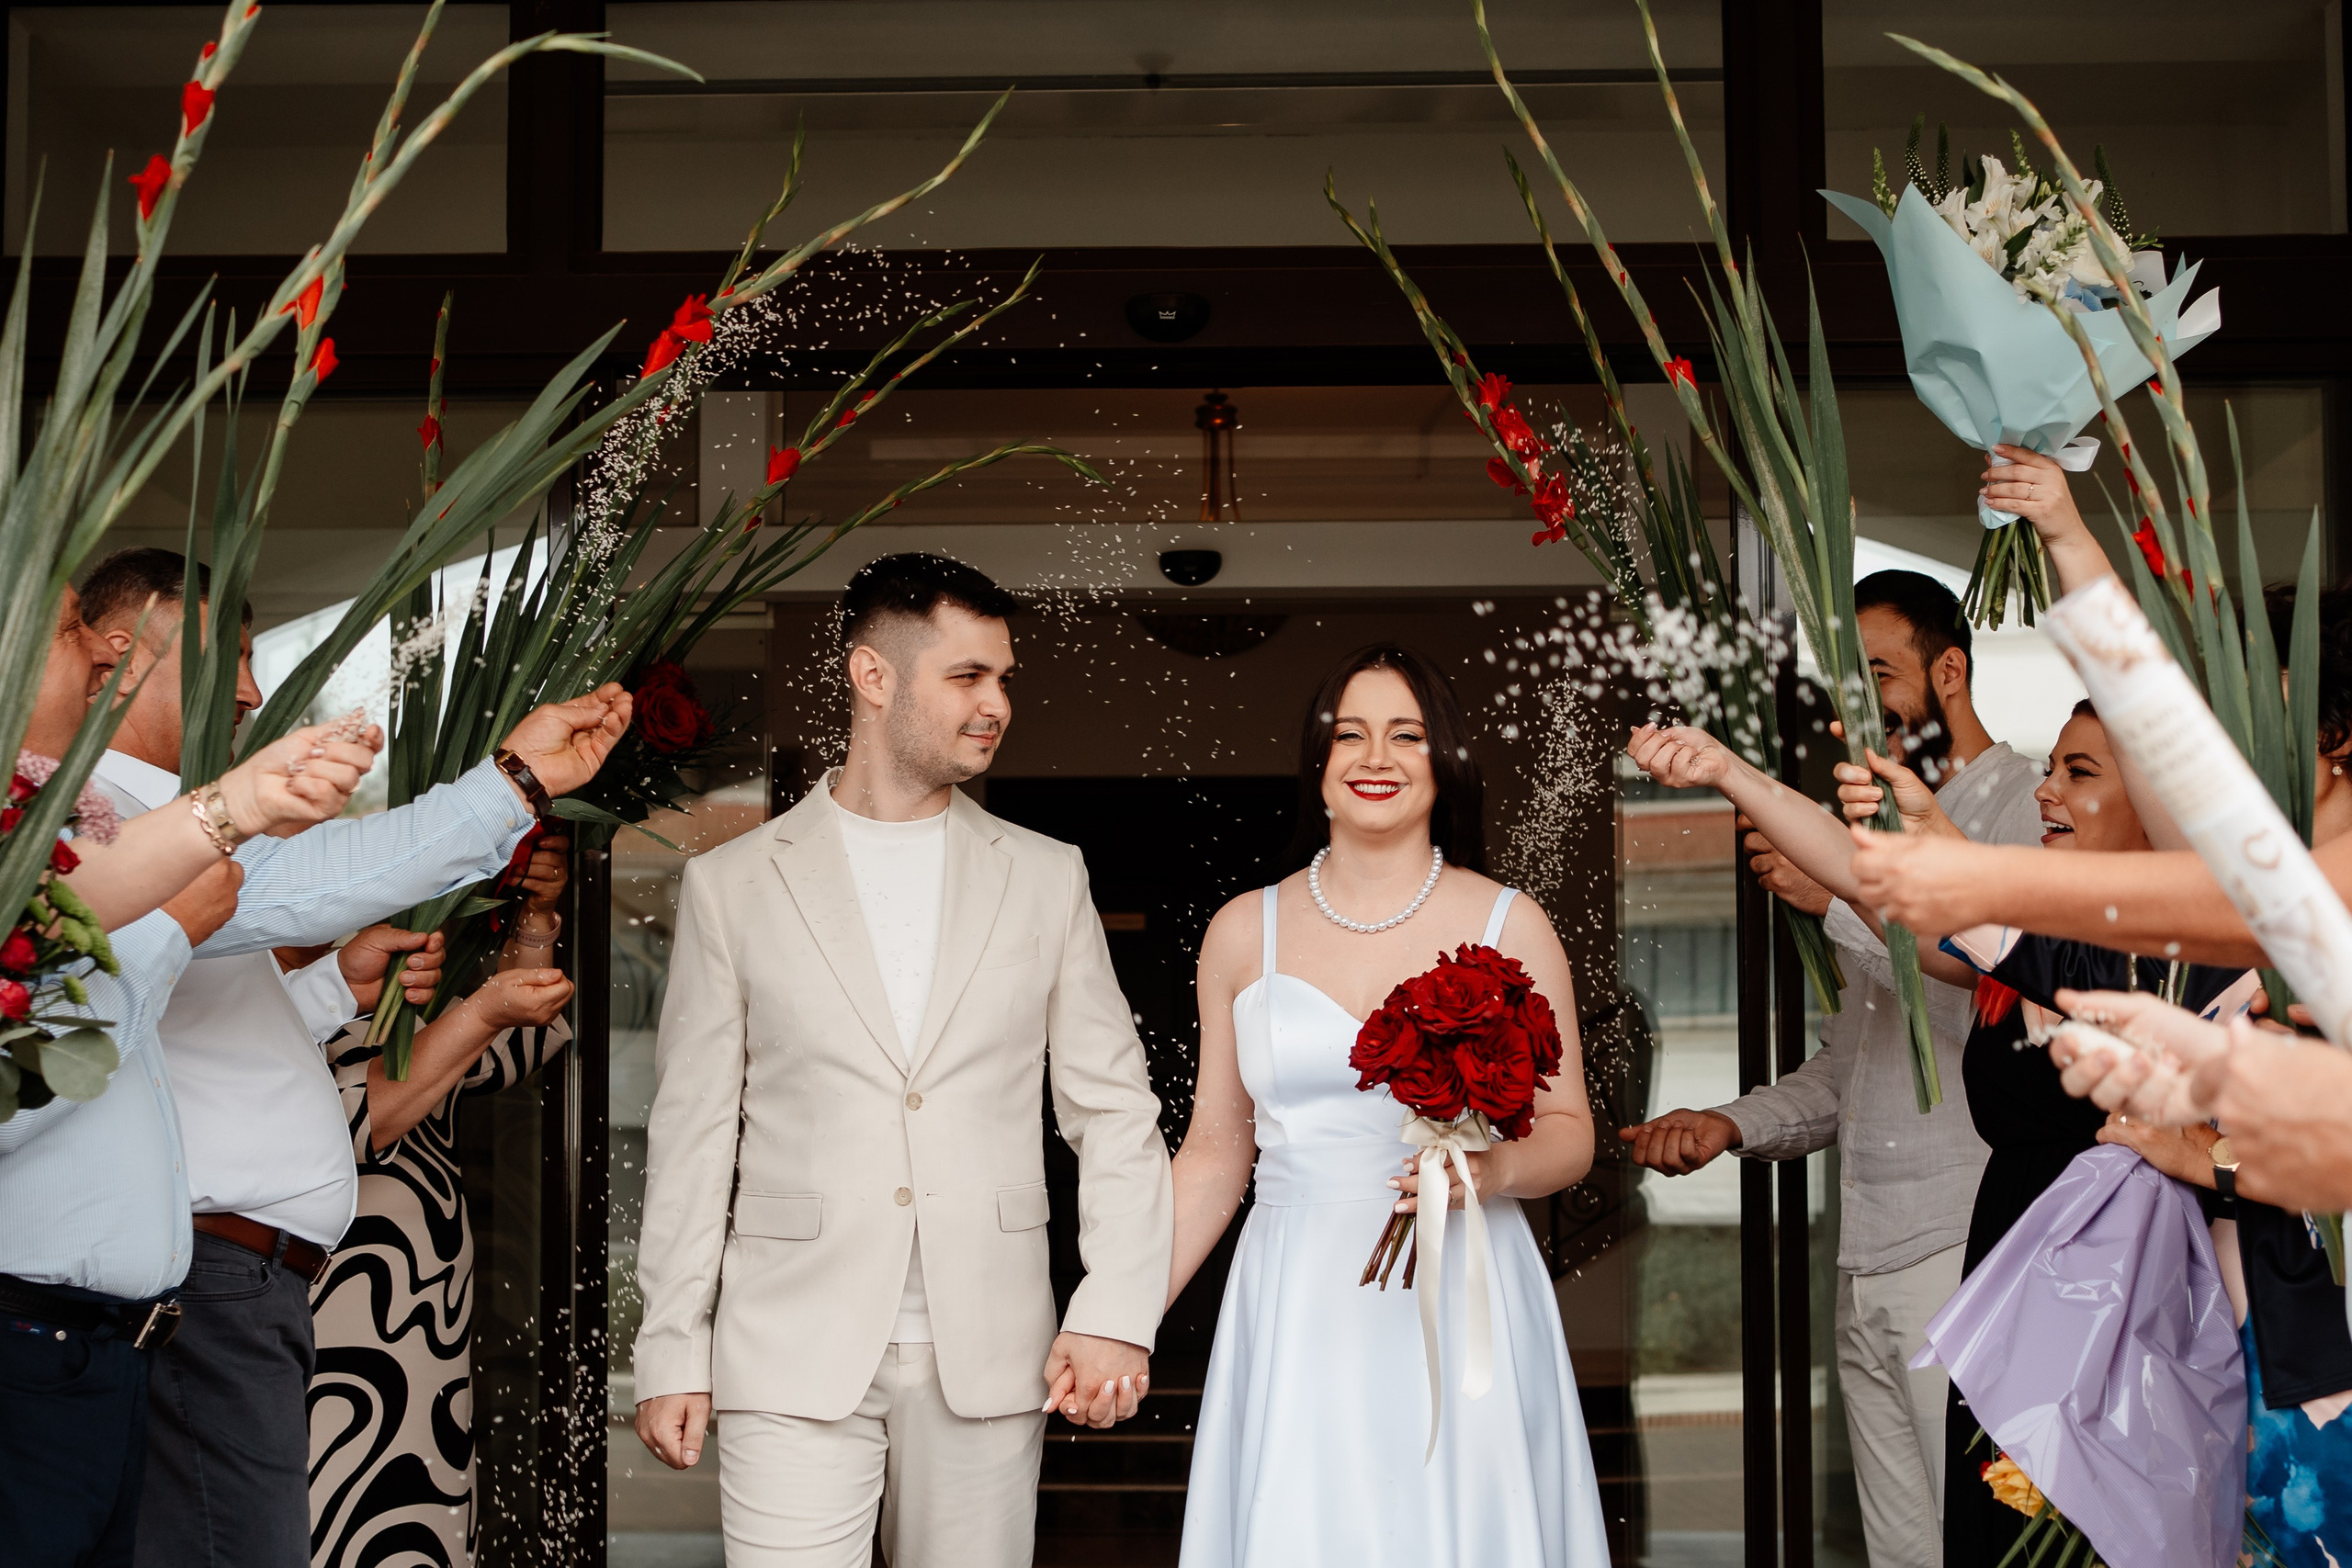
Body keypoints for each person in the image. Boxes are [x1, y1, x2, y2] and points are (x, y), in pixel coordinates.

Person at [70, 547, 632, 1568]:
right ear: (111, 656)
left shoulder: (156, 818)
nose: (247, 689)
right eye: (222, 660)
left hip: (244, 1283)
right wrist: (511, 782)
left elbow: (194, 1015)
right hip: (208, 1279)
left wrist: (329, 988)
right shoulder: (108, 824)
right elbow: (314, 883)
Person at [630, 553, 1172, 1568]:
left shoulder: (1049, 877)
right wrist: (670, 1343)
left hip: (991, 1347)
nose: (995, 705)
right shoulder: (732, 885)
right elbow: (694, 1129)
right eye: (968, 677)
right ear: (872, 676)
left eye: (1004, 679)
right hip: (787, 1349)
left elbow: (1113, 1115)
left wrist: (1115, 1309)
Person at [1618, 570, 2045, 1568]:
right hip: (1869, 1252)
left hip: (1968, 1243)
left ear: (1949, 671)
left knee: (1981, 1543)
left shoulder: (2024, 809)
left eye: (1882, 675)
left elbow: (1992, 974)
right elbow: (1852, 1069)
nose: (1865, 708)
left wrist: (1837, 898)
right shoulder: (1876, 827)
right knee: (1901, 1554)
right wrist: (1730, 1125)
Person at [1169, 643, 1609, 1566]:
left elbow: (1569, 1135)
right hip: (1297, 1292)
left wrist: (1493, 1170)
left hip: (1464, 1286)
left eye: (1405, 735)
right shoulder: (1244, 930)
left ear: (1443, 763)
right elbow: (1213, 1153)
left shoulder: (1508, 922)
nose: (1376, 758)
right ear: (1318, 767)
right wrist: (1121, 1316)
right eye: (1349, 736)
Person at [1, 586, 385, 1568]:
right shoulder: (54, 841)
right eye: (66, 633)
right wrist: (180, 921)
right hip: (35, 1343)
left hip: (102, 1348)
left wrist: (241, 812)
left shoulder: (68, 828)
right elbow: (25, 1082)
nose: (94, 655)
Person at [307, 835, 575, 1568]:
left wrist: (535, 918)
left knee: (414, 1530)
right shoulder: (263, 1006)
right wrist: (481, 1010)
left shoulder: (389, 995)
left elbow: (519, 1044)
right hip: (324, 1318)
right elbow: (357, 1121)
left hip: (423, 1321)